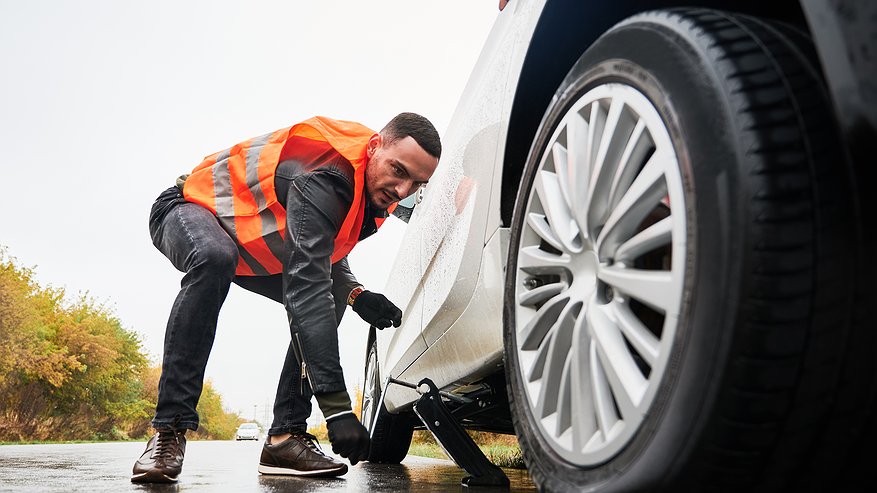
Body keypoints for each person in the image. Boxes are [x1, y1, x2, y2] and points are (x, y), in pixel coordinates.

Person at [131, 113, 441, 483]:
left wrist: (356, 295)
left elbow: (324, 254)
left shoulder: (375, 191)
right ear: (374, 146)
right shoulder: (325, 173)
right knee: (215, 259)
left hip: (249, 247)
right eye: (398, 170)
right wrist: (337, 408)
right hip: (187, 208)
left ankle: (284, 438)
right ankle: (168, 431)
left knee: (327, 293)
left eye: (416, 183)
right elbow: (305, 289)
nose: (403, 191)